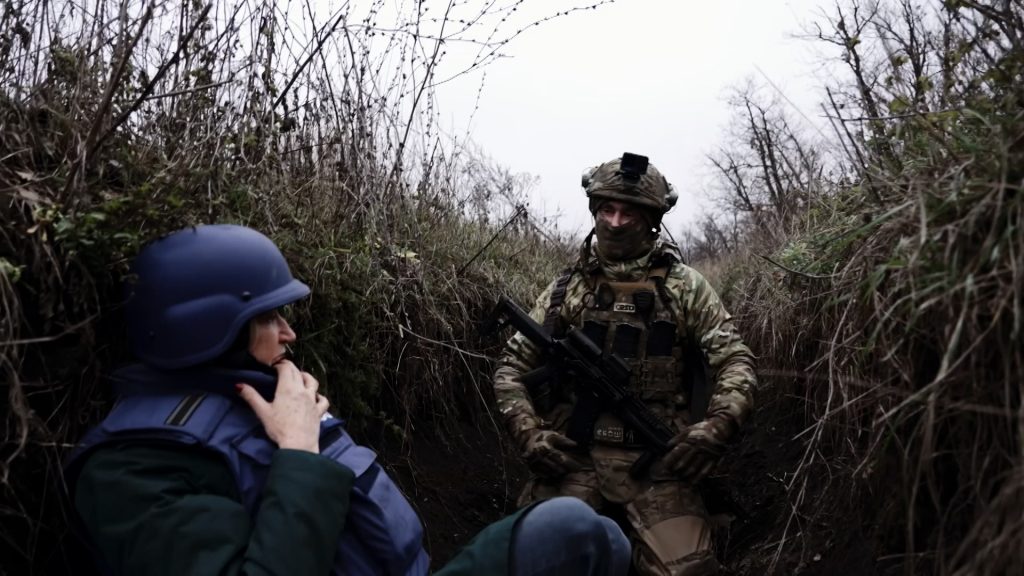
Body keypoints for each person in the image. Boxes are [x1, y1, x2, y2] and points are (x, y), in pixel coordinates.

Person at [65, 224, 631, 576]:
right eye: (269, 317)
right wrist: (298, 454)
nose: (288, 333)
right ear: (209, 328)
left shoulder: (262, 399)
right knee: (573, 529)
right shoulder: (131, 468)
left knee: (590, 532)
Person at [493, 153, 757, 576]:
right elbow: (511, 367)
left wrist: (716, 427)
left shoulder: (684, 287)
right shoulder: (567, 289)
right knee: (530, 563)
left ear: (651, 220)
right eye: (607, 210)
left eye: (628, 213)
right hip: (572, 460)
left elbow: (735, 361)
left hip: (658, 464)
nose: (614, 222)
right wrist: (529, 434)